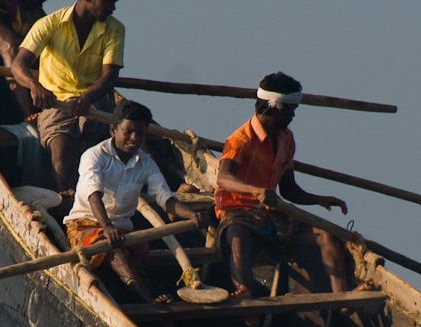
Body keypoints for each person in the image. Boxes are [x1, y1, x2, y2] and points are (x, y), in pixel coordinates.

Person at [213, 71, 352, 298]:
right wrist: (256, 191)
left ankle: (343, 298)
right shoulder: (240, 139)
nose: (293, 115)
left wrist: (319, 199)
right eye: (291, 109)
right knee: (237, 236)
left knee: (326, 236)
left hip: (270, 214)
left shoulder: (286, 138)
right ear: (276, 107)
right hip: (237, 211)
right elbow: (223, 178)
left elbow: (288, 190)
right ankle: (244, 292)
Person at [62, 100, 207, 304]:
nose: (134, 138)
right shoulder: (94, 156)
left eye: (140, 132)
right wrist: (106, 226)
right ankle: (149, 301)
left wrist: (191, 214)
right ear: (113, 130)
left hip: (122, 231)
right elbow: (92, 193)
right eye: (128, 132)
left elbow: (166, 198)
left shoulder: (146, 163)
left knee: (133, 254)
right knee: (114, 253)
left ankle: (134, 291)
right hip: (84, 225)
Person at [10, 0, 125, 198]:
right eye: (108, 1)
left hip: (95, 103)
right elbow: (17, 65)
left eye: (115, 0)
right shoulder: (49, 24)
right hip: (56, 104)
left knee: (123, 142)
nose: (113, 7)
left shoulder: (115, 29)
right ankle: (69, 202)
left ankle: (119, 197)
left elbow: (110, 75)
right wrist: (35, 86)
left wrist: (88, 98)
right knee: (61, 148)